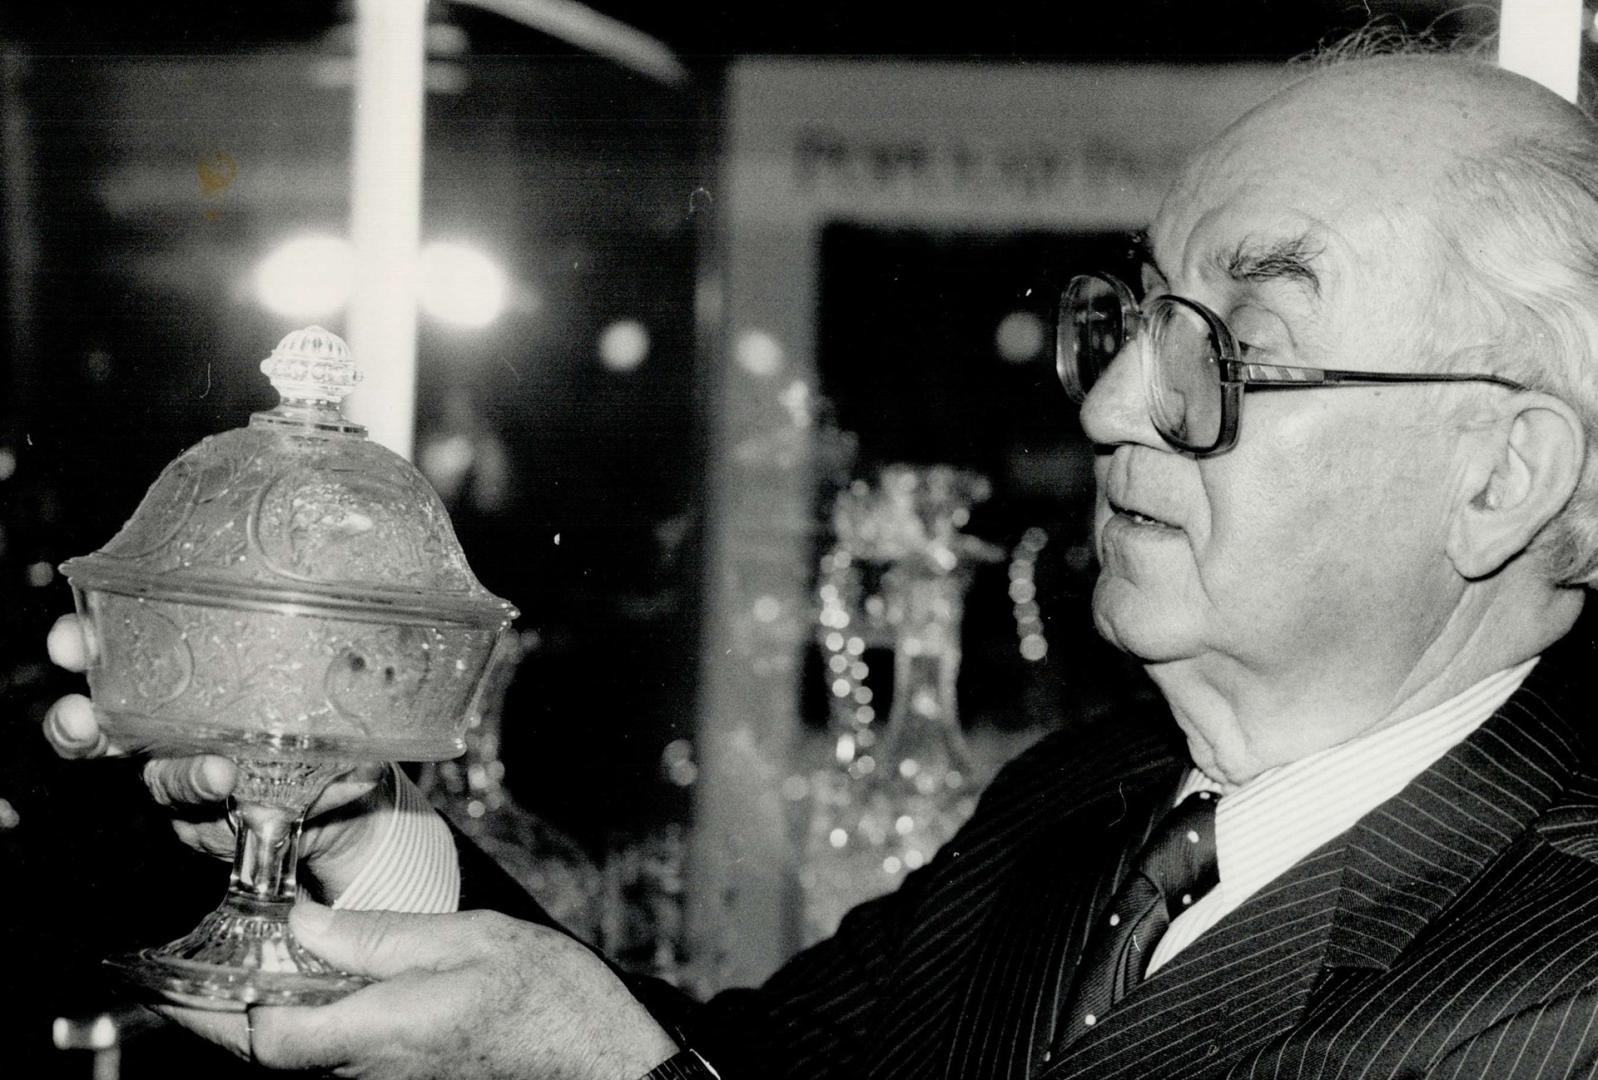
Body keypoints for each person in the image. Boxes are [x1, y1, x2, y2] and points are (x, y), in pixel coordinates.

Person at [43, 51, 1598, 1078]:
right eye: (1132, 316)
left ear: (1499, 478)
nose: (1115, 402)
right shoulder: (1084, 801)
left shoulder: (1555, 988)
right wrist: (358, 822)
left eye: (1238, 346)